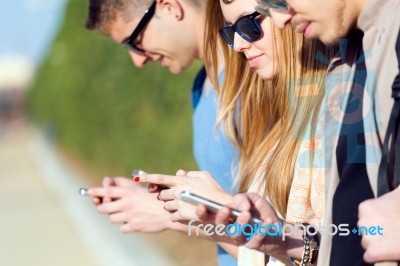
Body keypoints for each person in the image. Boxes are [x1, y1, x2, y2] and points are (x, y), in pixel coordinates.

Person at [135, 0, 333, 264]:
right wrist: (210, 213)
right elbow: (270, 256)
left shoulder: (340, 110)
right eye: (230, 32)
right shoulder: (282, 127)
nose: (238, 45)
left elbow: (348, 246)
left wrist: (218, 211)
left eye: (248, 24)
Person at [224, 0, 400, 264]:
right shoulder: (352, 57)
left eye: (278, 1)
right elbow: (348, 233)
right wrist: (285, 240)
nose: (282, 18)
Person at [84, 0, 238, 265]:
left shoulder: (255, 81)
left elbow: (281, 237)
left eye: (134, 41)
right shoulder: (201, 89)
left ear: (169, 7)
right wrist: (165, 202)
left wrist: (169, 214)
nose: (138, 60)